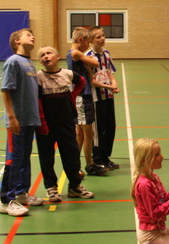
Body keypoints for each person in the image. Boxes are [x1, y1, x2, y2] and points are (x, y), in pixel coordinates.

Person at [34, 46, 94, 203]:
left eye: (49, 53)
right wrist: (42, 123)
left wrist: (72, 96)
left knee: (71, 154)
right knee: (47, 156)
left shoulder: (67, 74)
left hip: (66, 122)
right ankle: (51, 188)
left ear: (58, 56)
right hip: (46, 125)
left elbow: (81, 81)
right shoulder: (38, 77)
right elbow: (37, 101)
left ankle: (75, 186)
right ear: (40, 61)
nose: (46, 56)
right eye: (42, 55)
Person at [0, 28, 44, 217]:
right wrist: (11, 117)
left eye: (33, 35)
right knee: (14, 160)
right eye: (28, 35)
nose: (33, 37)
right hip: (17, 121)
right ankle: (6, 201)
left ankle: (21, 193)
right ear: (17, 41)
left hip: (29, 120)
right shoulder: (13, 61)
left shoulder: (29, 63)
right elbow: (6, 90)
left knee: (24, 158)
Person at [67, 27, 108, 177]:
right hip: (82, 96)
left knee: (80, 134)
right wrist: (89, 61)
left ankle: (75, 165)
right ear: (80, 40)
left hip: (80, 95)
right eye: (87, 42)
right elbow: (96, 63)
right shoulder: (75, 53)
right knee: (88, 133)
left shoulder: (75, 54)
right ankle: (89, 165)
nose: (88, 46)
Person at [87, 26, 120, 171]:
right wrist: (108, 87)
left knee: (110, 127)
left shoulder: (106, 54)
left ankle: (106, 158)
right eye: (98, 37)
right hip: (96, 98)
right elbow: (91, 81)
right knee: (98, 130)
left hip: (108, 96)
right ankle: (97, 159)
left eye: (103, 36)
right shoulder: (88, 56)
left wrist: (114, 84)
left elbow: (110, 72)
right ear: (91, 40)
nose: (102, 39)